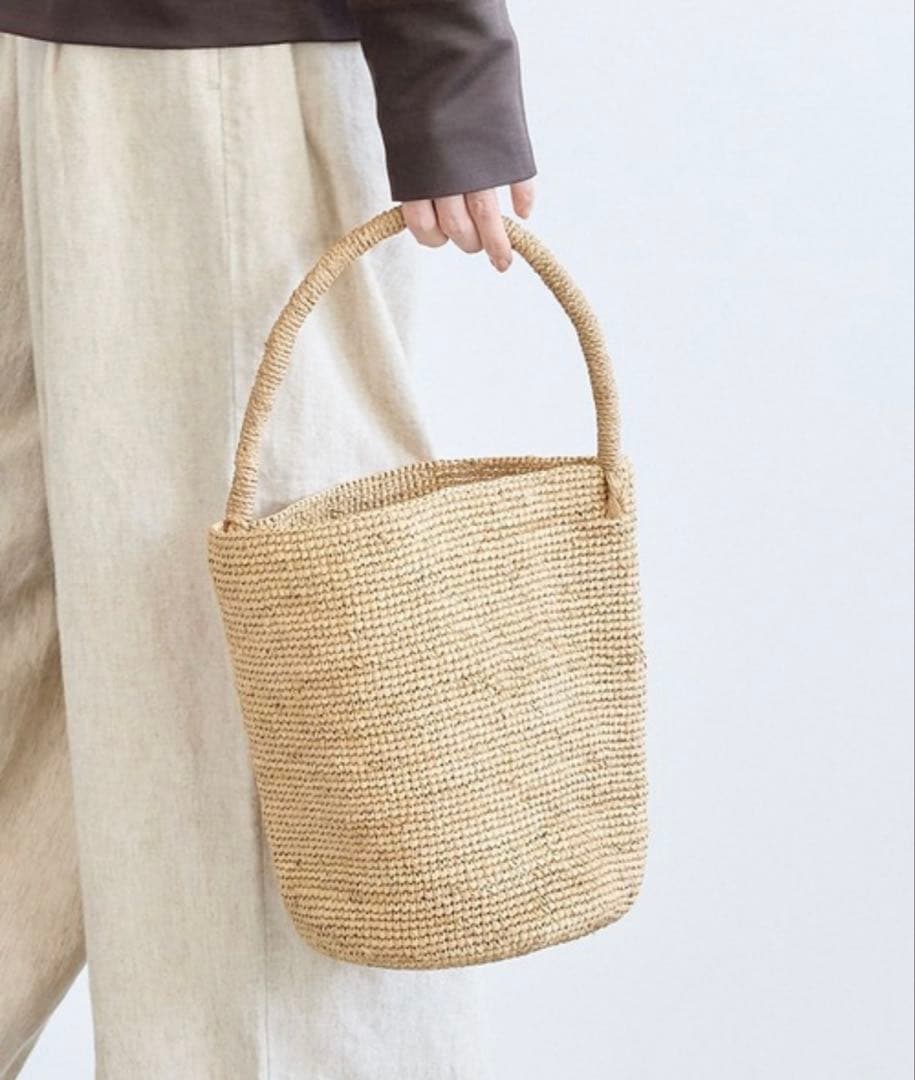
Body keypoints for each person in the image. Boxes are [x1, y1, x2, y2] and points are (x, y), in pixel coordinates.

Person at [0, 2, 536, 1076]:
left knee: (148, 629)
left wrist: (450, 65)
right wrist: (452, 57)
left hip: (131, 72)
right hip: (178, 85)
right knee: (246, 671)